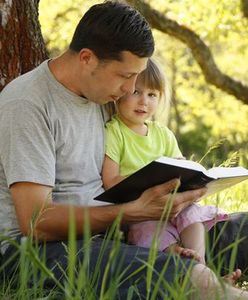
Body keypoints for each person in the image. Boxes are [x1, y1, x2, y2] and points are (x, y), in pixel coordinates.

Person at [0, 1, 247, 299]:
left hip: (123, 232)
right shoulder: (28, 104)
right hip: (42, 251)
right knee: (185, 276)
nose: (131, 90)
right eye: (125, 76)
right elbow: (35, 222)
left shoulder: (103, 95)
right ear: (87, 59)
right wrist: (131, 213)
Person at [102, 57, 228, 265]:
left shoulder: (163, 134)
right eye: (136, 92)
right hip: (140, 212)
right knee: (145, 231)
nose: (144, 101)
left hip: (174, 205)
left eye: (152, 94)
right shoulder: (115, 132)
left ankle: (199, 262)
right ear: (121, 92)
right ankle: (174, 254)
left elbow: (181, 167)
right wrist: (145, 183)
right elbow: (110, 181)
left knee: (192, 215)